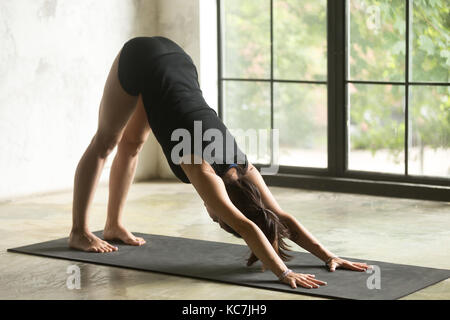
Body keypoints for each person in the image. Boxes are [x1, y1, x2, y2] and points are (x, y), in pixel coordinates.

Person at [69, 36, 370, 289]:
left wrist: (328, 255)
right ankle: (79, 232)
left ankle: (113, 225)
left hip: (178, 61)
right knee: (106, 141)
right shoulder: (202, 169)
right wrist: (285, 273)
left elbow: (277, 216)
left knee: (133, 144)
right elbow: (246, 224)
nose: (212, 216)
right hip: (142, 57)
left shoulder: (244, 168)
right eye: (217, 219)